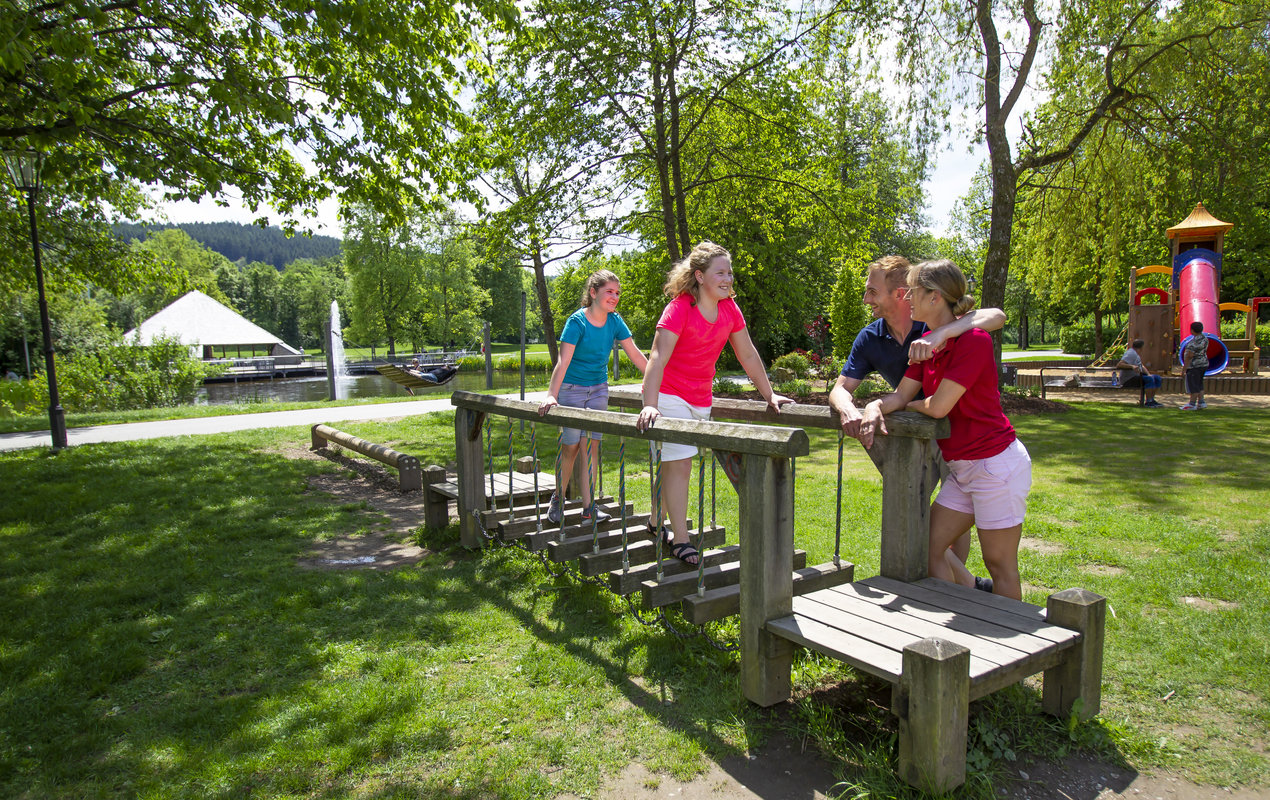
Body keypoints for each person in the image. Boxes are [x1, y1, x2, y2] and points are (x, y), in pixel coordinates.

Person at [828, 255, 1006, 588]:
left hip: (958, 434)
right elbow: (841, 388)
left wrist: (943, 333)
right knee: (924, 520)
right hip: (913, 431)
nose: (866, 299)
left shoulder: (932, 318)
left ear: (901, 293)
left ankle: (956, 585)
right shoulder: (871, 337)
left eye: (872, 291)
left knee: (949, 525)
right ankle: (963, 586)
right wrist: (849, 409)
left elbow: (995, 315)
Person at [861, 259, 1031, 600]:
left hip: (995, 466)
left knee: (999, 564)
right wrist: (874, 406)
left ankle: (1010, 642)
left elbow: (938, 406)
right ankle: (952, 620)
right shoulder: (925, 342)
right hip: (963, 469)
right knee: (927, 547)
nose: (906, 297)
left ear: (935, 297)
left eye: (912, 291)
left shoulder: (974, 341)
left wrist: (910, 406)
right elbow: (902, 394)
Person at [635, 241, 793, 566]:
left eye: (730, 272)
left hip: (700, 399)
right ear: (700, 276)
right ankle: (679, 539)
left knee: (673, 463)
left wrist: (770, 395)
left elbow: (747, 353)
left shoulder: (729, 309)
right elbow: (657, 357)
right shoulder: (680, 308)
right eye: (720, 272)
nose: (728, 278)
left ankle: (654, 521)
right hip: (668, 395)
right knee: (681, 464)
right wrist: (649, 404)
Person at [539, 269, 649, 524]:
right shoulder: (576, 322)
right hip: (572, 390)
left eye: (617, 293)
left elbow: (634, 354)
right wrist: (550, 395)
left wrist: (658, 381)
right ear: (593, 293)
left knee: (592, 447)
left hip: (599, 389)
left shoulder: (615, 321)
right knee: (571, 446)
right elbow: (562, 362)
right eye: (609, 291)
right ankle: (557, 498)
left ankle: (589, 507)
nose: (614, 297)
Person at [1115, 339, 1164, 407]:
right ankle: (1148, 402)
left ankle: (1151, 400)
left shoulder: (1136, 354)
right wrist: (1132, 366)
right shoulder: (1131, 353)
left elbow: (1141, 366)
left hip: (1136, 377)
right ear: (1141, 347)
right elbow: (1119, 365)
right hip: (1128, 380)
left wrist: (1148, 374)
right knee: (1149, 380)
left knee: (1157, 378)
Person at [1181, 321, 1209, 410]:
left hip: (1194, 365)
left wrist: (1184, 369)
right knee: (1199, 383)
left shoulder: (1192, 343)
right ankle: (1201, 402)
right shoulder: (1205, 339)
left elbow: (1189, 356)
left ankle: (1192, 403)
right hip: (1203, 363)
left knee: (1193, 384)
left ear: (1192, 330)